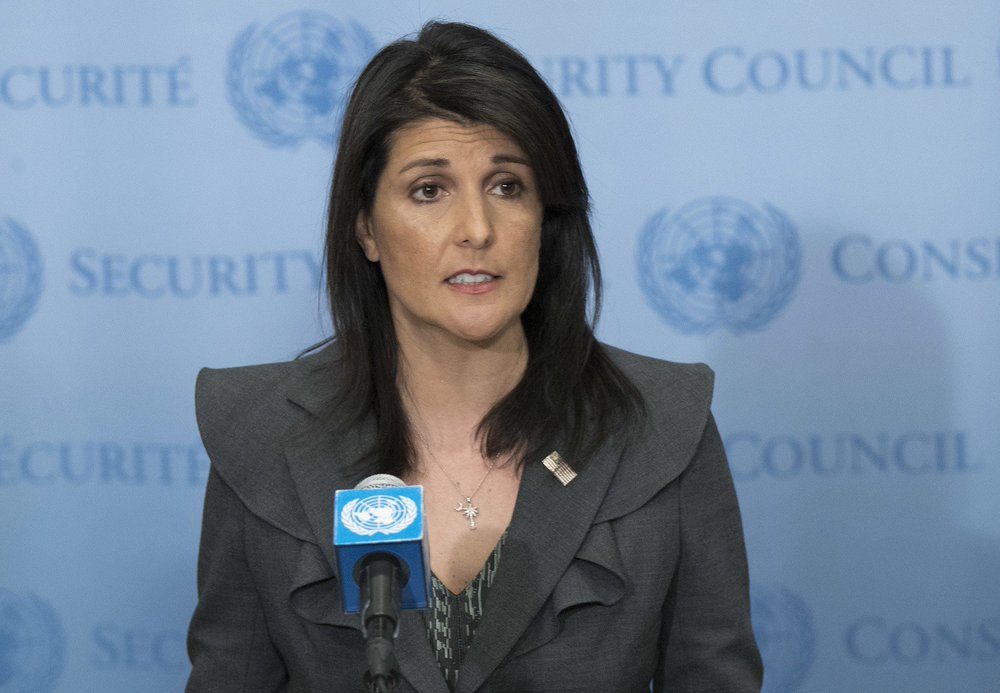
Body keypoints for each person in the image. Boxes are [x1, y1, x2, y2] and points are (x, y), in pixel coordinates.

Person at [186, 20, 762, 693]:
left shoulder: (662, 425)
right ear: (366, 226)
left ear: (545, 217)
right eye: (429, 190)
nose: (477, 230)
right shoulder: (260, 433)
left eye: (507, 186)